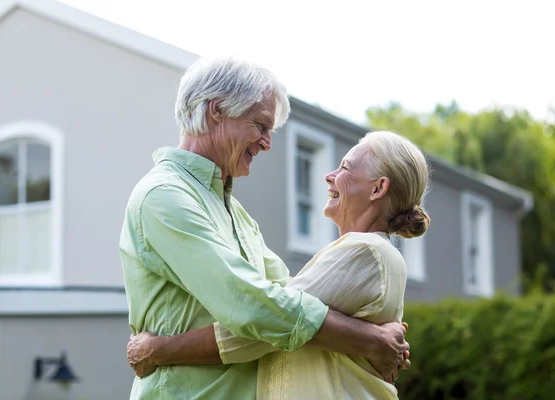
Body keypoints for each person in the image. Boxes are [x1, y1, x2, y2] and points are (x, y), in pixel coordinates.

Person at [119, 56, 410, 400]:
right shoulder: (164, 196)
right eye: (260, 125)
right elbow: (250, 305)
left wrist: (160, 348)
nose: (267, 142)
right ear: (217, 110)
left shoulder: (235, 213)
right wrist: (371, 340)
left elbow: (287, 297)